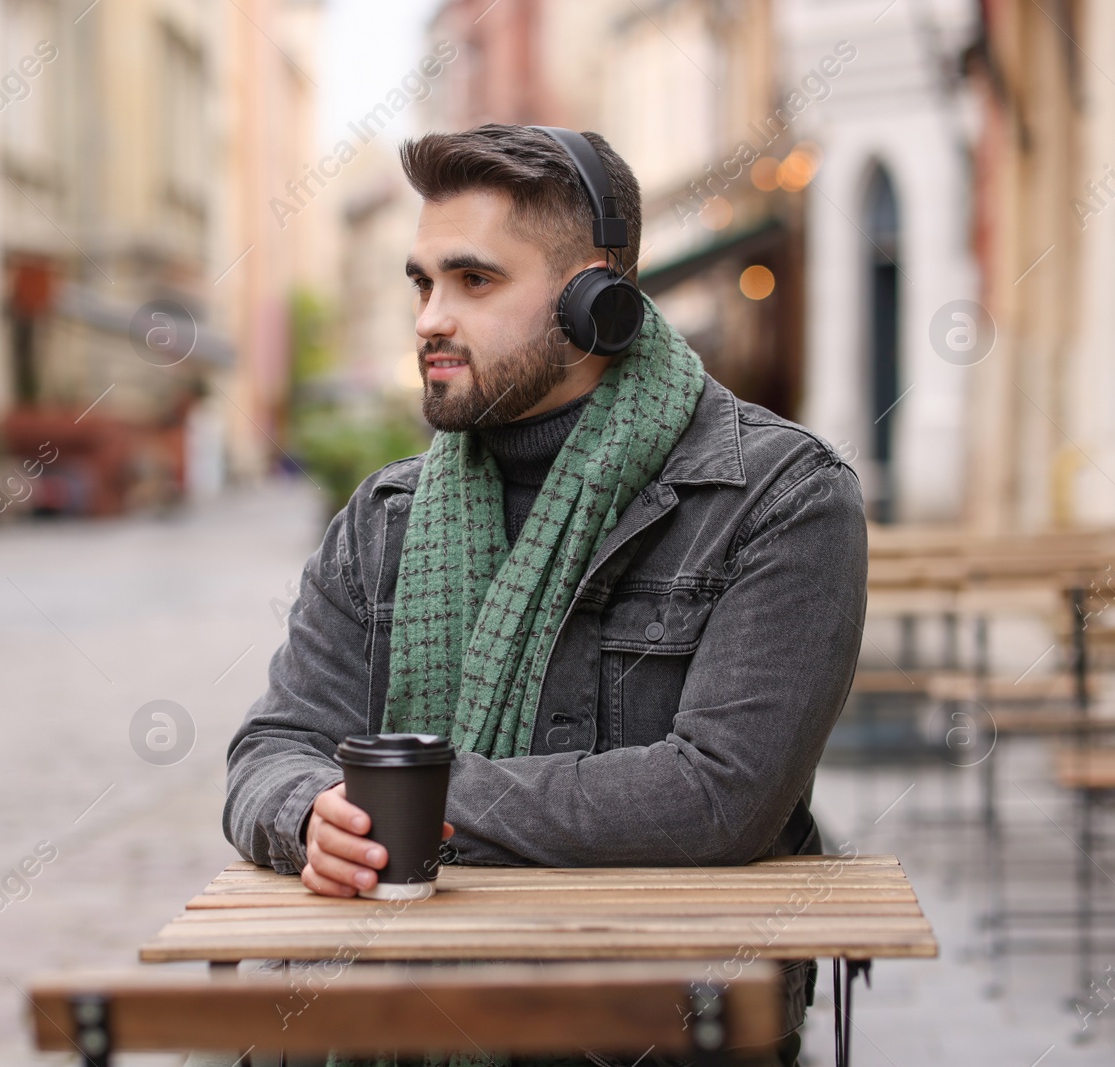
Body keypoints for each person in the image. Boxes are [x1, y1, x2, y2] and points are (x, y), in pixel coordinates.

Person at [222, 123, 867, 1067]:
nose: (430, 318)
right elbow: (273, 746)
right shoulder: (384, 518)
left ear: (596, 301)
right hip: (381, 1024)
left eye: (474, 281)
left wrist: (418, 804)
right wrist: (315, 813)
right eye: (423, 282)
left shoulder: (780, 498)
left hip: (652, 1030)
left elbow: (718, 797)